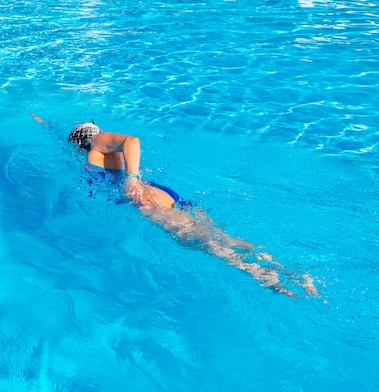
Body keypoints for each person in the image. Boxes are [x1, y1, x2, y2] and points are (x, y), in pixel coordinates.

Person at [33, 114, 318, 297]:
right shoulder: (96, 147)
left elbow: (132, 140)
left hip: (144, 196)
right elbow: (65, 135)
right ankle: (289, 271)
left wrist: (132, 180)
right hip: (162, 192)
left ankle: (268, 280)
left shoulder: (96, 144)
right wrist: (43, 123)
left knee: (205, 244)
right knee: (220, 236)